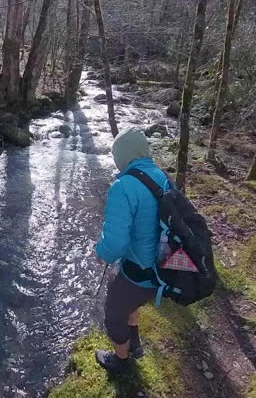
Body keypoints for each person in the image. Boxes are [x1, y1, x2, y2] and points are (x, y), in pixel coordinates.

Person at [94, 127, 171, 374]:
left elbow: (115, 244)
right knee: (132, 304)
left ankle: (122, 362)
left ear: (123, 156)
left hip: (137, 271)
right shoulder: (161, 176)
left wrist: (101, 252)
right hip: (162, 269)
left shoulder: (123, 186)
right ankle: (134, 342)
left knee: (114, 315)